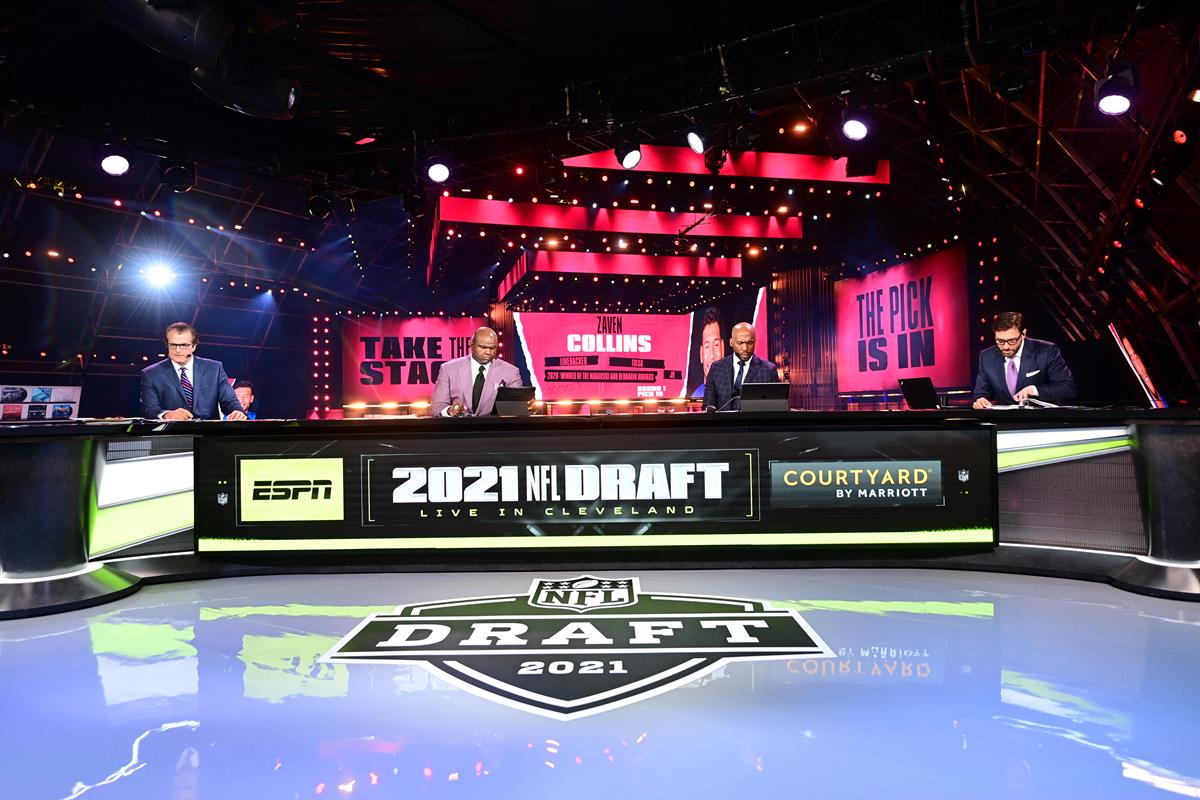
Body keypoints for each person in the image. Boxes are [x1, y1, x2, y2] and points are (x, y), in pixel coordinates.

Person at [140, 322, 246, 420]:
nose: (177, 350)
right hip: (173, 434)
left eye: (184, 345)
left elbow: (229, 401)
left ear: (194, 346)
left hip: (209, 434)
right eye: (173, 345)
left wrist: (237, 412)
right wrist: (167, 414)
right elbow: (149, 409)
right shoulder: (151, 374)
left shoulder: (214, 368)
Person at [971, 311, 1076, 409]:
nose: (1006, 347)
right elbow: (981, 393)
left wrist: (1034, 390)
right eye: (1000, 341)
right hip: (1004, 423)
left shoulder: (1046, 351)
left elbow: (1067, 389)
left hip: (1041, 421)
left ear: (1023, 334)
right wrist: (981, 400)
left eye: (1012, 341)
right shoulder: (986, 356)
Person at [431, 326, 523, 417]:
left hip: (495, 429)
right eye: (483, 347)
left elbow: (517, 409)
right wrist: (449, 411)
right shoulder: (448, 369)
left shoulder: (511, 372)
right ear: (471, 345)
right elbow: (437, 408)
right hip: (459, 429)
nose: (488, 352)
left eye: (492, 348)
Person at [702, 322, 779, 411]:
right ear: (731, 342)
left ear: (755, 342)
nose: (745, 348)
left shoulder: (768, 370)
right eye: (740, 343)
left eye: (750, 343)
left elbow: (775, 408)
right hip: (723, 424)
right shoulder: (716, 369)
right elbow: (707, 407)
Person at [691, 306, 725, 398]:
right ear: (701, 354)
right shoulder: (695, 397)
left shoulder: (734, 393)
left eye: (716, 345)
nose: (712, 355)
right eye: (707, 346)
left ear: (723, 348)